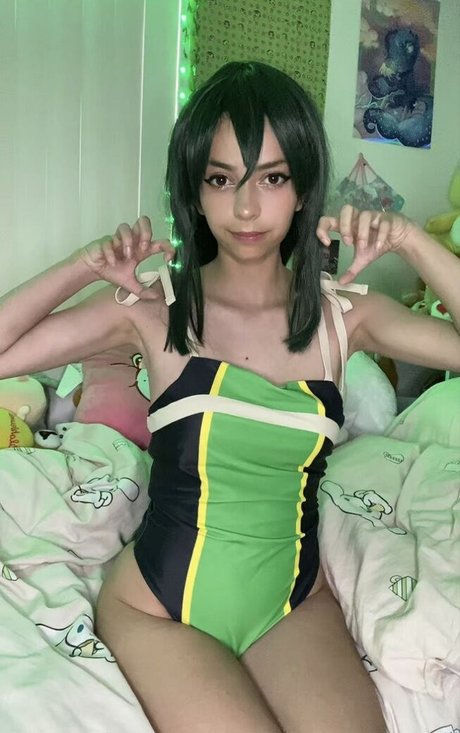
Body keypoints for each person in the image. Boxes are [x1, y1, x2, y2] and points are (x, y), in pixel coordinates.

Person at [0, 60, 459, 733]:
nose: (246, 208)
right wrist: (82, 266)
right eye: (221, 179)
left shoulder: (345, 316)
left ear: (303, 189)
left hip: (292, 603)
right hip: (160, 608)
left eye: (272, 178)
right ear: (195, 190)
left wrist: (412, 241)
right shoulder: (153, 305)